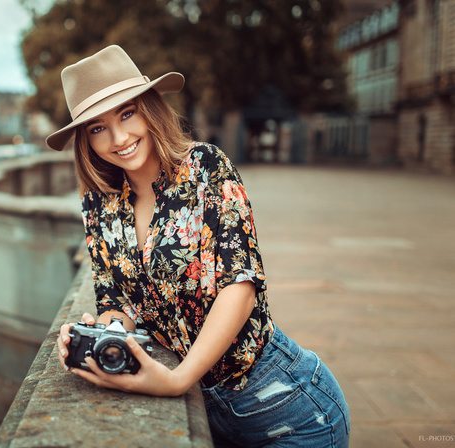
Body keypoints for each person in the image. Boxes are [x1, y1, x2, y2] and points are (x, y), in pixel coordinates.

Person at [48, 45, 350, 448]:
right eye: (97, 128)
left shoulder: (205, 167)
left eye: (127, 113)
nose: (119, 138)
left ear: (149, 108)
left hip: (290, 409)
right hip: (210, 414)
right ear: (85, 140)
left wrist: (177, 379)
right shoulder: (98, 203)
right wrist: (100, 338)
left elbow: (240, 288)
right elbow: (114, 300)